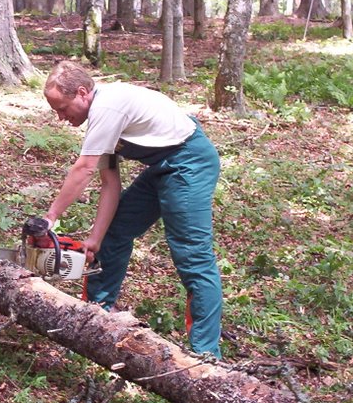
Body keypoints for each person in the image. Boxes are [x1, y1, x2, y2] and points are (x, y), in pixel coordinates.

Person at [40, 60, 223, 358]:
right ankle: (97, 314)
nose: (60, 117)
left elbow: (84, 168)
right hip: (163, 166)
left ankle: (206, 355)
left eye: (62, 108)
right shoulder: (102, 119)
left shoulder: (107, 108)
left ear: (82, 93)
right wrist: (97, 238)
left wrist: (51, 216)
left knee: (193, 257)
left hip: (189, 163)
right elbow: (110, 184)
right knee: (115, 231)